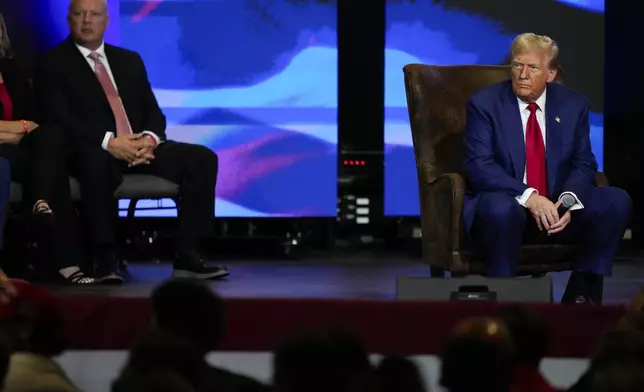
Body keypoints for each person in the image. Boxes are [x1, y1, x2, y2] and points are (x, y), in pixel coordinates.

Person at [35, 0, 228, 283]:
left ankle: (188, 254)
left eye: (95, 14)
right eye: (79, 14)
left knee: (202, 159)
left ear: (106, 21)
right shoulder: (51, 63)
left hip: (139, 148)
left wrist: (148, 140)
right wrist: (110, 143)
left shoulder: (129, 60)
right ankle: (105, 257)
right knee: (95, 163)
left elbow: (154, 113)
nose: (87, 20)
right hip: (92, 149)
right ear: (69, 19)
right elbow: (58, 118)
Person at [461, 32, 631, 304]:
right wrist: (530, 197)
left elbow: (584, 162)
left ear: (550, 74)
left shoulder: (574, 105)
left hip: (557, 210)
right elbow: (478, 166)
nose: (522, 75)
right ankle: (504, 299)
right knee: (499, 208)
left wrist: (567, 201)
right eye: (517, 65)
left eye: (533, 67)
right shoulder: (485, 104)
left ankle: (582, 295)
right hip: (510, 204)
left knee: (615, 201)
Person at [0, 13, 93, 285]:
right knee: (50, 167)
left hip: (17, 148)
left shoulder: (10, 71)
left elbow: (35, 121)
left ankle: (38, 203)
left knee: (51, 139)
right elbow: (26, 125)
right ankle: (66, 262)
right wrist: (19, 128)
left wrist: (18, 129)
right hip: (7, 152)